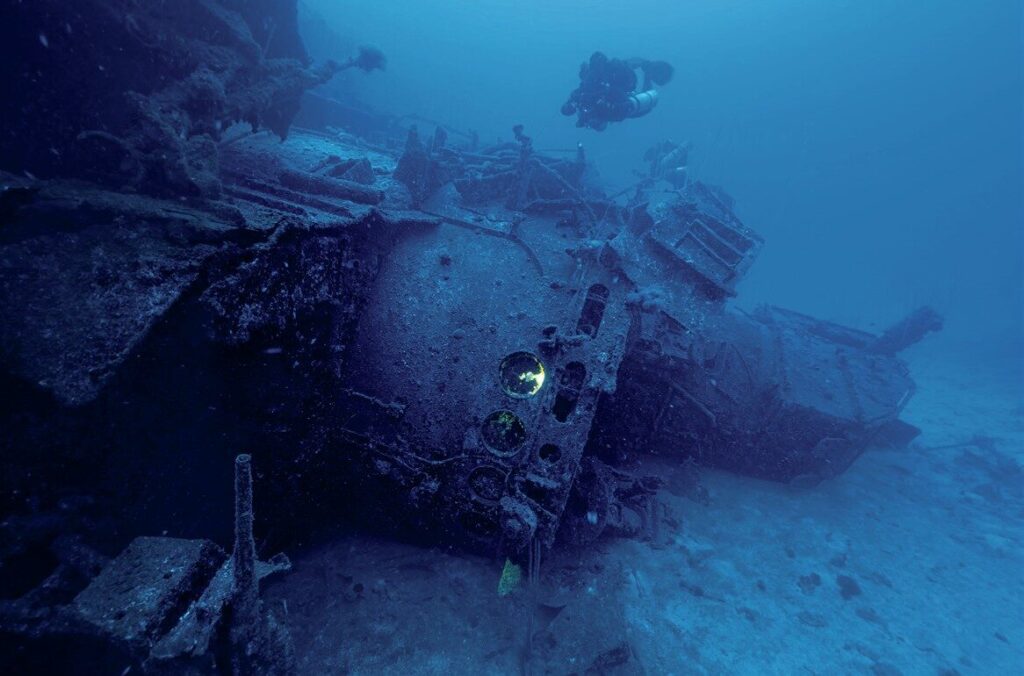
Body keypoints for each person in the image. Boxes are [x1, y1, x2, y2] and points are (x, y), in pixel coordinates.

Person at [561, 52, 674, 131]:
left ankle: (646, 68)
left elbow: (567, 108)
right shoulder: (607, 107)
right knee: (620, 71)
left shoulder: (595, 98)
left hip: (615, 86)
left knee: (620, 71)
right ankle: (646, 69)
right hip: (615, 84)